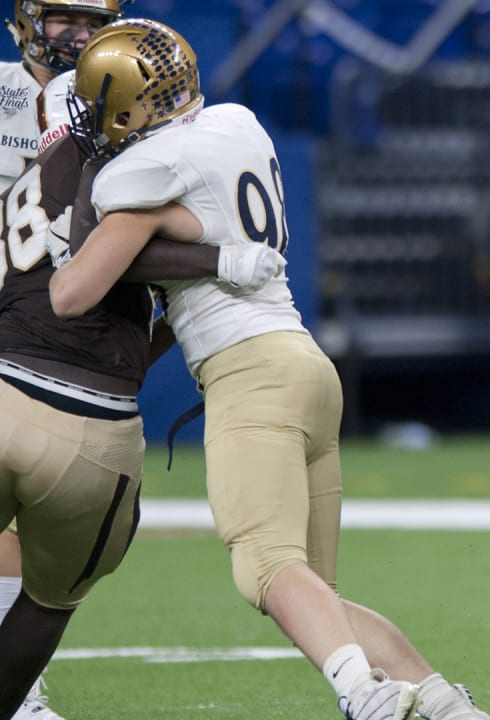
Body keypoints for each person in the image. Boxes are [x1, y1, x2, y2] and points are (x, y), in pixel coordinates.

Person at [45, 19, 490, 720]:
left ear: (134, 107)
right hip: (306, 366)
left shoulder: (145, 171)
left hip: (251, 375)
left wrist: (83, 174)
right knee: (316, 594)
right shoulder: (235, 124)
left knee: (264, 564)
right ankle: (444, 705)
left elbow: (71, 292)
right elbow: (197, 262)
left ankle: (365, 695)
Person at [0, 94, 285, 720]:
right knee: (51, 600)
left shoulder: (27, 179)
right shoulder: (119, 166)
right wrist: (223, 261)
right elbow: (90, 275)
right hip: (89, 414)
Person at [0, 2, 120, 717]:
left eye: (91, 18)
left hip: (51, 325)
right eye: (62, 17)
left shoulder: (119, 96)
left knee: (22, 519)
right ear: (27, 20)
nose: (78, 33)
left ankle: (23, 694)